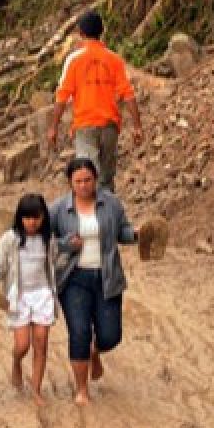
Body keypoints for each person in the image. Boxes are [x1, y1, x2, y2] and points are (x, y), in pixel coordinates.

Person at [49, 157, 139, 406]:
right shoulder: (58, 209)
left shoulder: (111, 204)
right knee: (78, 332)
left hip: (106, 276)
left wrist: (138, 235)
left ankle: (95, 351)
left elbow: (123, 231)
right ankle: (81, 389)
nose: (83, 185)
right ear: (70, 183)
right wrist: (66, 244)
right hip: (73, 277)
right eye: (78, 181)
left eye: (88, 180)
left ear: (96, 179)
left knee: (111, 335)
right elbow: (45, 239)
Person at [47, 10, 145, 193]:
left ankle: (91, 217)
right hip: (110, 126)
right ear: (102, 31)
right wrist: (137, 126)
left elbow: (62, 96)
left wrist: (53, 127)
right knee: (106, 178)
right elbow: (128, 94)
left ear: (81, 33)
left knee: (87, 177)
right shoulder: (114, 59)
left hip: (85, 126)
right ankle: (107, 216)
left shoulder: (74, 60)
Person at [0, 194, 59, 406]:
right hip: (18, 296)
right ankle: (16, 361)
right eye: (27, 218)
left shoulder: (49, 239)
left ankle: (36, 389)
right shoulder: (10, 239)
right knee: (22, 345)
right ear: (19, 218)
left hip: (43, 294)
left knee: (41, 342)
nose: (31, 222)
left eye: (36, 217)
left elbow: (55, 263)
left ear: (43, 218)